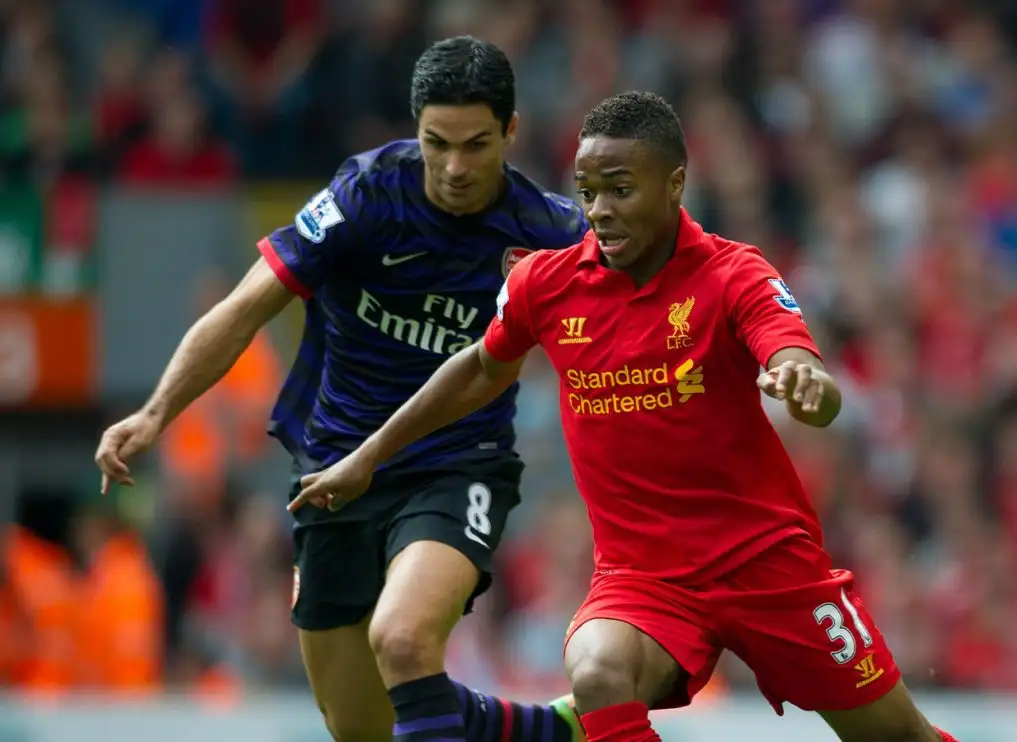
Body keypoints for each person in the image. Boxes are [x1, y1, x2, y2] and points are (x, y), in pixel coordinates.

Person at [291, 91, 961, 742]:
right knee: (596, 670)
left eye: (620, 189)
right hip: (643, 580)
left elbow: (798, 360)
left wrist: (807, 384)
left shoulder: (735, 274)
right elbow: (476, 370)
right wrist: (370, 454)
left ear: (674, 183)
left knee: (897, 736)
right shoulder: (545, 284)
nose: (599, 211)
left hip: (769, 569)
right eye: (587, 192)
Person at [95, 37, 586, 742]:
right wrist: (154, 412)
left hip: (457, 465)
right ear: (414, 129)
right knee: (359, 726)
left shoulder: (548, 232)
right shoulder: (365, 195)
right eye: (436, 143)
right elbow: (245, 307)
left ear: (511, 131)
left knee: (404, 638)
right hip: (333, 473)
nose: (453, 167)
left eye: (476, 145)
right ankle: (546, 734)